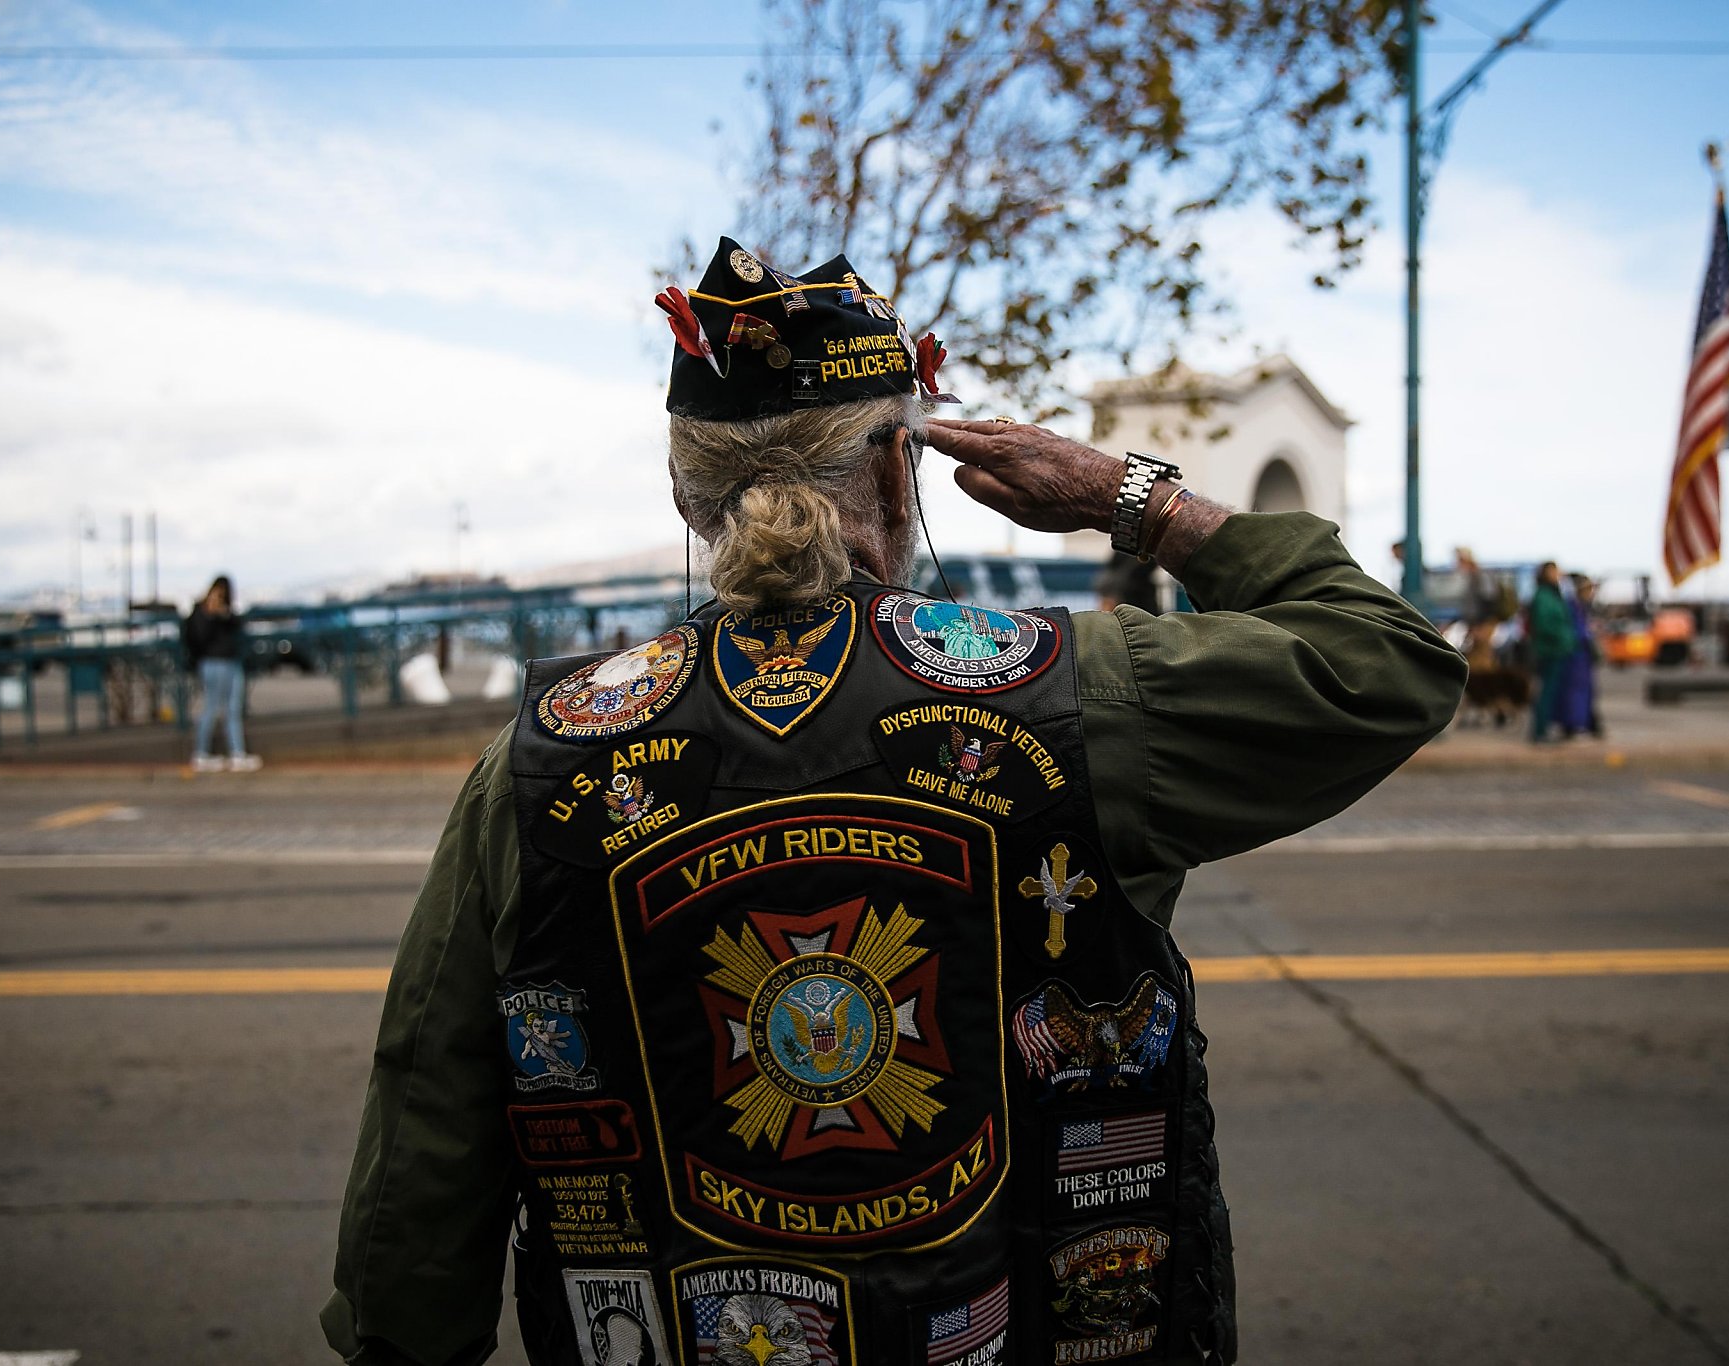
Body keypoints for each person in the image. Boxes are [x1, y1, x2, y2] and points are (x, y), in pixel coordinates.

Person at [321, 237, 1466, 1366]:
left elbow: (427, 1133)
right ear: (891, 472)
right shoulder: (1076, 696)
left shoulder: (544, 754)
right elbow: (1386, 661)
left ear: (685, 490)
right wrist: (1133, 501)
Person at [183, 575, 259, 772]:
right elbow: (197, 637)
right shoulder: (201, 612)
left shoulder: (225, 613)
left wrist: (223, 614)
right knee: (212, 706)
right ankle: (202, 753)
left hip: (228, 661)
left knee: (232, 708)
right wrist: (211, 615)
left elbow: (238, 623)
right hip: (213, 662)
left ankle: (236, 752)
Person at [1526, 561, 1574, 743]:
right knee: (1547, 691)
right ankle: (1540, 731)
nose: (1559, 574)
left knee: (1550, 690)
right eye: (1555, 571)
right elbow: (1545, 625)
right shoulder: (1545, 596)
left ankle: (1543, 728)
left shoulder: (1552, 594)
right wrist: (1564, 638)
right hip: (1550, 650)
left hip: (1555, 649)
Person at [1555, 573, 1603, 739]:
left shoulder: (1581, 608)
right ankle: (1573, 725)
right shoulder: (1572, 608)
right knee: (1575, 693)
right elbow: (1578, 632)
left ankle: (1582, 723)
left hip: (1581, 656)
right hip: (1576, 656)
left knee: (1582, 692)